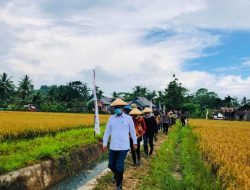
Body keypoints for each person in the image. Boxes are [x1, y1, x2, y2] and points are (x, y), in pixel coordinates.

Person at [103, 98, 137, 190]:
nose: (116, 109)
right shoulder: (111, 118)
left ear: (122, 108)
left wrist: (135, 142)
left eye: (118, 107)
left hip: (124, 146)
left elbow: (133, 131)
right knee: (111, 165)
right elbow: (107, 132)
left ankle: (119, 185)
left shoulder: (128, 118)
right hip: (113, 146)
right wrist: (104, 144)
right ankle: (117, 175)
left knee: (119, 165)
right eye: (115, 107)